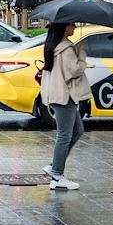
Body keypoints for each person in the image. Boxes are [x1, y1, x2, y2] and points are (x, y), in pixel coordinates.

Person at [39, 22, 92, 191]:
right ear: (64, 27)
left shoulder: (53, 45)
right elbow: (75, 71)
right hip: (64, 95)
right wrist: (81, 54)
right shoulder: (66, 48)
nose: (74, 27)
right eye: (72, 24)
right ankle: (57, 176)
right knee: (64, 135)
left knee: (78, 130)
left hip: (57, 93)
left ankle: (54, 166)